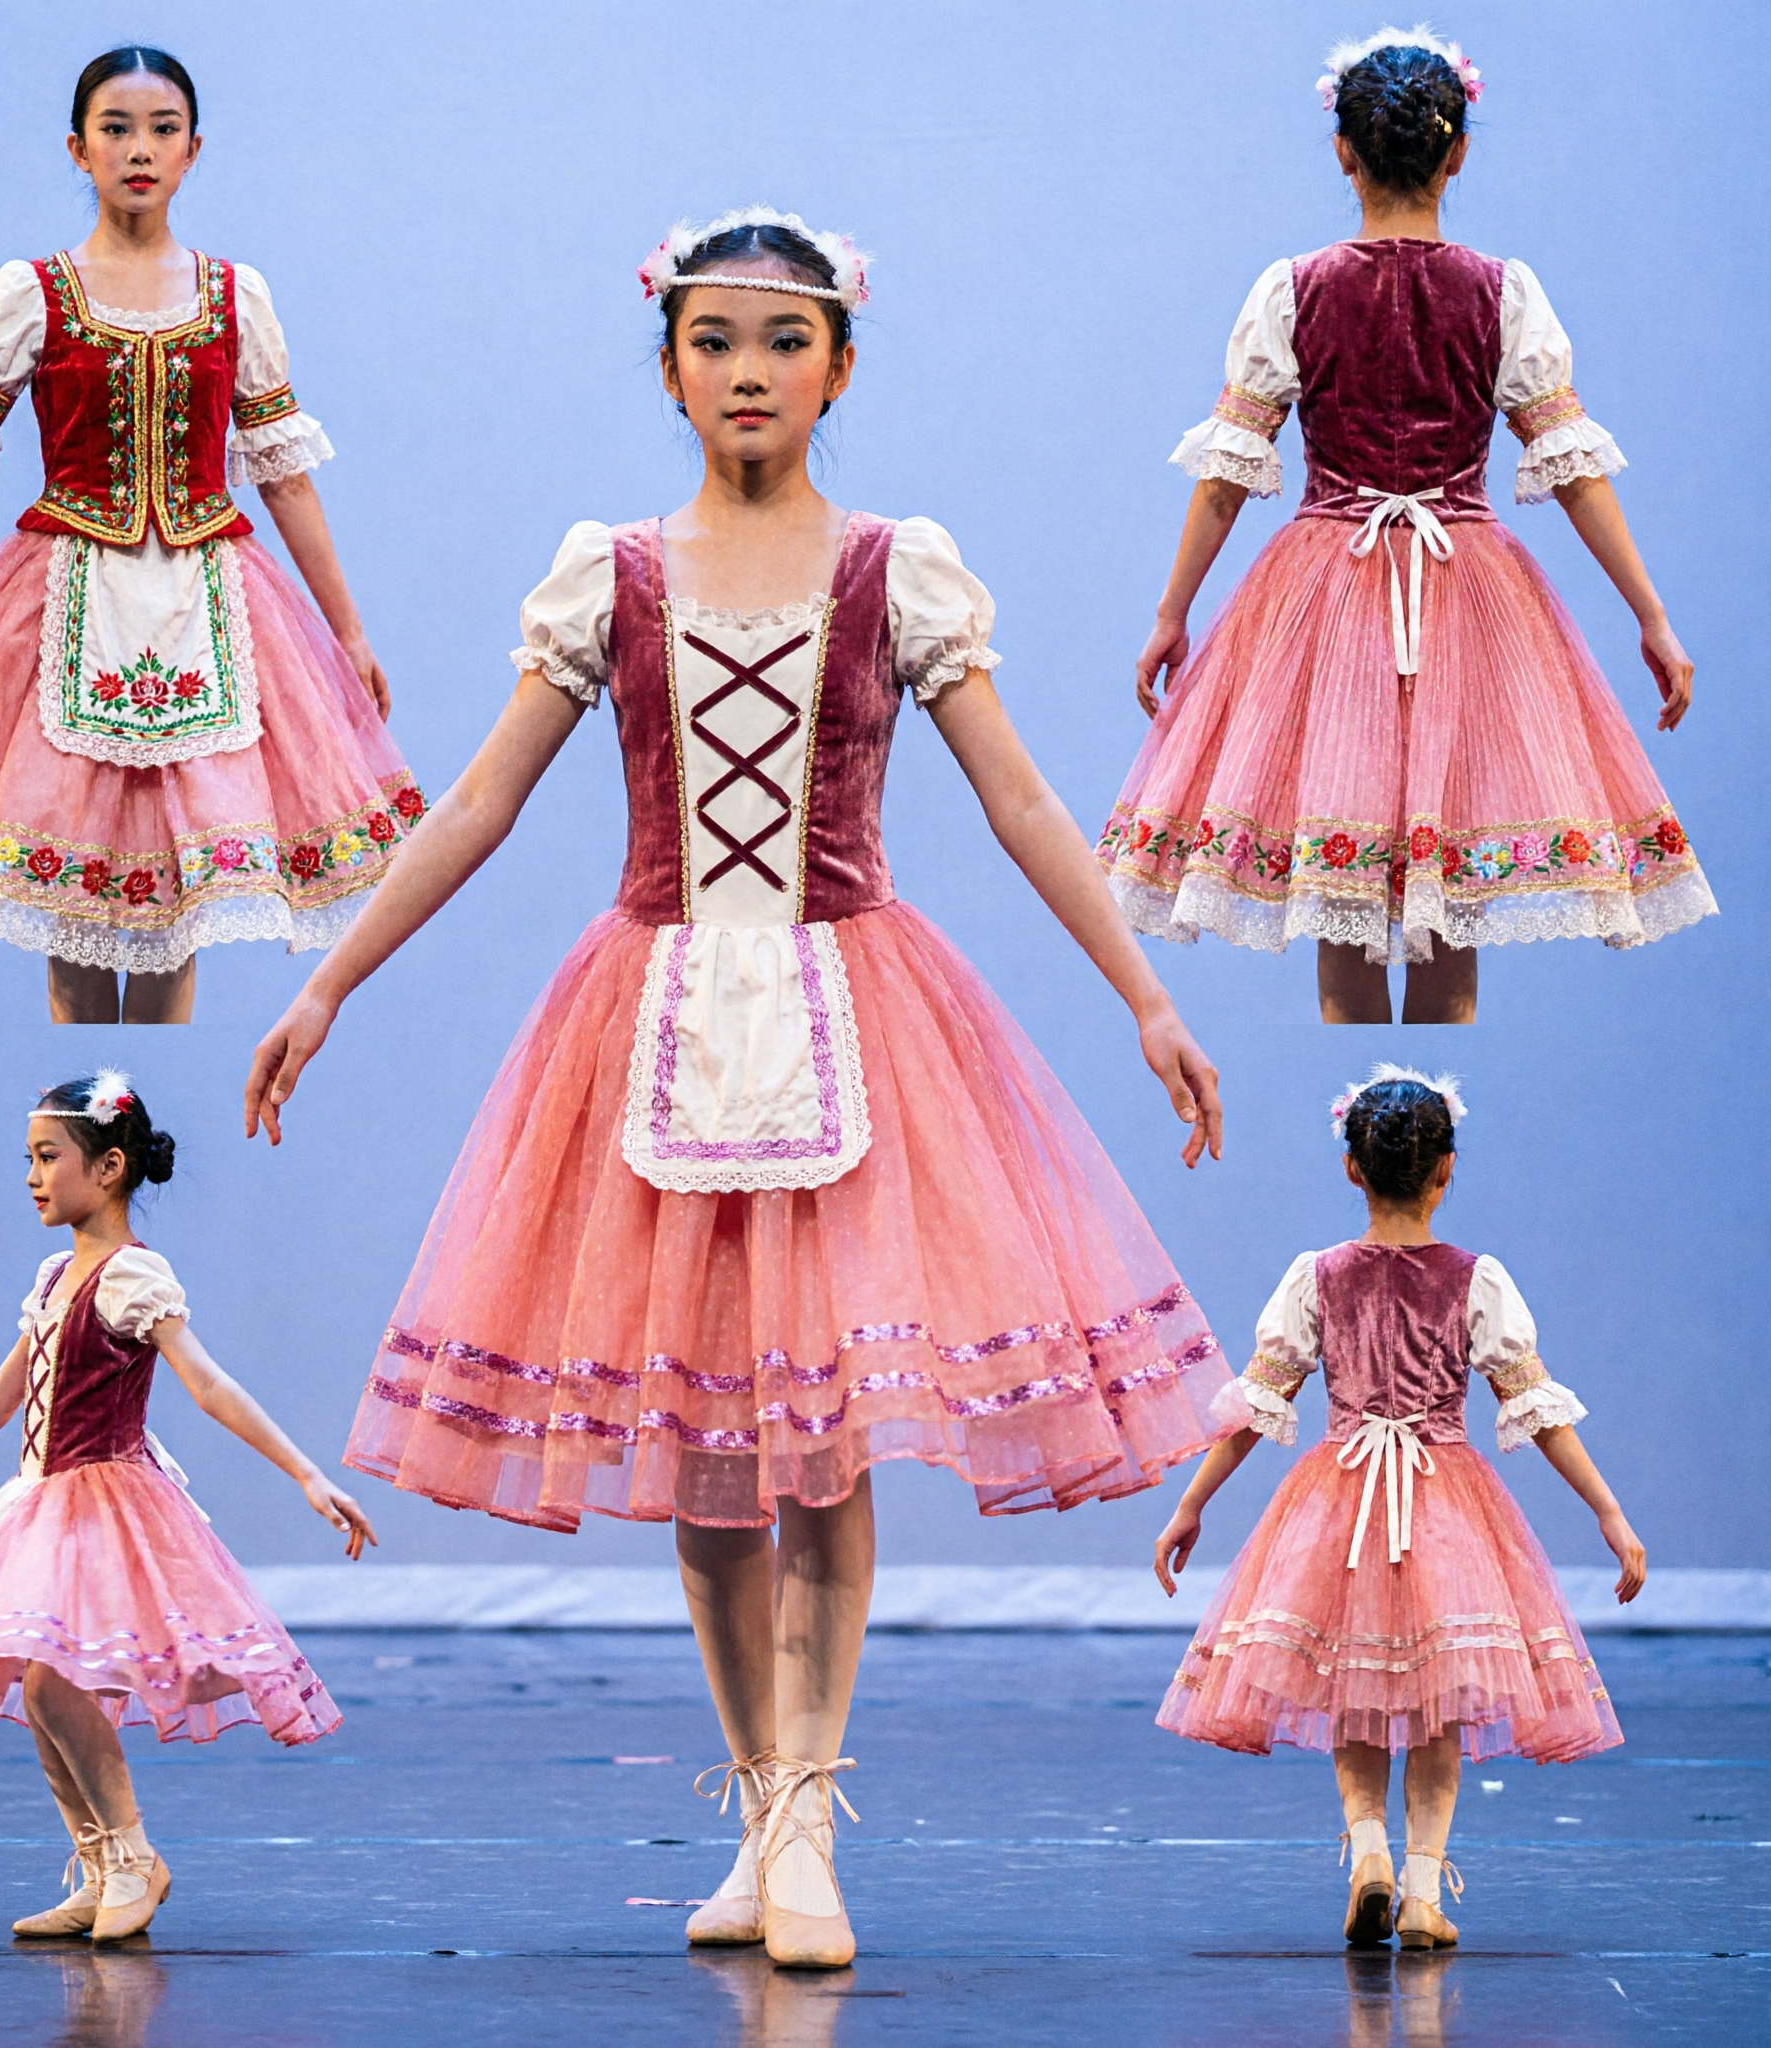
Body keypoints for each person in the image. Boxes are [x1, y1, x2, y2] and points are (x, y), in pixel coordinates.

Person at [243, 207, 1235, 1969]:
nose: (748, 373)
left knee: (825, 1448)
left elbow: (1017, 799)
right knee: (707, 1455)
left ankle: (807, 1821)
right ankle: (760, 1800)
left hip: (854, 1019)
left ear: (839, 367)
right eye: (713, 342)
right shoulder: (611, 575)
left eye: (783, 342)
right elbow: (478, 800)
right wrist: (329, 979)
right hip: (656, 1025)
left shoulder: (895, 571)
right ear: (668, 369)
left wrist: (1146, 996)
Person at [0, 45, 421, 1023]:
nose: (139, 149)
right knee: (69, 919)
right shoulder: (36, 292)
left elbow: (285, 476)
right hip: (61, 607)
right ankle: (85, 1088)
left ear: (193, 150)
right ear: (79, 148)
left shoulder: (235, 295)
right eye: (116, 129)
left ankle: (152, 1086)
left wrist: (348, 631)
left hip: (210, 608)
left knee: (177, 922)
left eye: (162, 130)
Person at [1099, 27, 1713, 1023]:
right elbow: (1573, 472)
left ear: (1343, 151)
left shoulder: (1291, 288)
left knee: (1339, 908)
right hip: (1465, 584)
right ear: (1455, 152)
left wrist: (1172, 614)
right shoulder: (1503, 292)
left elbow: (1223, 478)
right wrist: (1651, 616)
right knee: (1449, 911)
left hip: (1327, 587)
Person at [0, 1070, 375, 1942]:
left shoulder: (131, 1276)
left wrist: (307, 1474)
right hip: (40, 1507)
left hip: (106, 1507)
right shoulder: (54, 1275)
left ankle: (134, 1856)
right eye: (29, 1159)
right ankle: (100, 1863)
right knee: (39, 1684)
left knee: (53, 1680)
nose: (33, 1176)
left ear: (110, 1167)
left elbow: (209, 1384)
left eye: (49, 1158)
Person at [1152, 1066, 1644, 1949]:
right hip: (1445, 1501)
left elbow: (1255, 1406)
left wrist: (1190, 1506)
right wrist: (1609, 1512)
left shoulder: (1317, 1277)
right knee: (1437, 1698)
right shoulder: (1475, 1279)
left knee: (1356, 1681)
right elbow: (1534, 1406)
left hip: (1340, 1498)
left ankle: (1369, 1852)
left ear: (1353, 1168)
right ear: (1445, 1170)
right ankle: (1420, 1889)